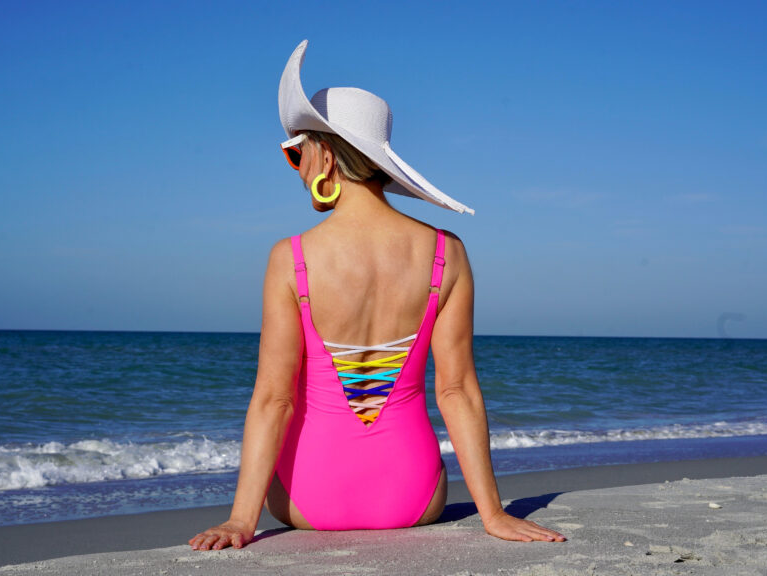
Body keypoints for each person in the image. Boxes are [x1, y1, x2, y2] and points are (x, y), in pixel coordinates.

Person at [189, 40, 565, 550]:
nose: (296, 169)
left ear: (324, 153)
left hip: (307, 498)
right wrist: (492, 514)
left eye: (295, 152)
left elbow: (273, 399)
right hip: (412, 497)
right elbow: (456, 392)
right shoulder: (445, 253)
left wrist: (240, 520)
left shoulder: (291, 259)